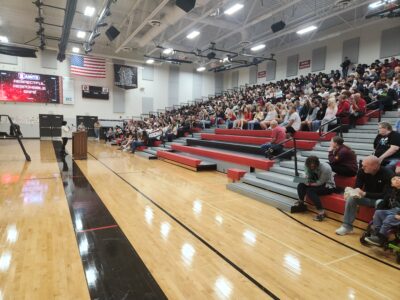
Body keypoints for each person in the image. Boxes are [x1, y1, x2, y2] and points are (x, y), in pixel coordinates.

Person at [336, 156, 394, 235]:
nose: (362, 167)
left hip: (381, 200)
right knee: (351, 198)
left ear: (375, 166)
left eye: (365, 166)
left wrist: (365, 194)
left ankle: (377, 230)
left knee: (380, 203)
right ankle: (347, 227)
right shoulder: (362, 171)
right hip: (366, 198)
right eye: (362, 165)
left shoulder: (388, 174)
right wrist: (353, 192)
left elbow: (386, 195)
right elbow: (357, 187)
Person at [295, 156, 336, 221]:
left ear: (317, 164)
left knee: (310, 191)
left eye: (313, 167)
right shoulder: (307, 165)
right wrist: (305, 179)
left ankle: (321, 212)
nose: (311, 168)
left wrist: (309, 184)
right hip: (315, 181)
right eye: (310, 167)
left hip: (328, 186)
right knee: (300, 185)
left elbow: (320, 182)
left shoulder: (326, 168)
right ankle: (301, 203)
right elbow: (308, 176)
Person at [364, 175, 400, 246]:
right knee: (378, 213)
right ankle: (378, 235)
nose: (397, 180)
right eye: (394, 179)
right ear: (391, 184)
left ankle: (381, 238)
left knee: (390, 217)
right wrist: (376, 213)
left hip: (398, 213)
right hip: (393, 211)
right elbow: (383, 203)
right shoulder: (391, 193)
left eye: (399, 178)